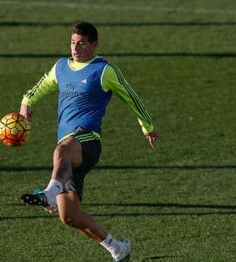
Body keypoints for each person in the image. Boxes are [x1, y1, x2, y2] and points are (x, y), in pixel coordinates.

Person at [19, 21, 159, 262]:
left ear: (94, 45)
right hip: (68, 155)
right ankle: (117, 248)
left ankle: (49, 193)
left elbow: (131, 96)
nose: (76, 48)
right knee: (70, 217)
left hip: (88, 140)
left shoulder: (104, 70)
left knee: (62, 150)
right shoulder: (61, 67)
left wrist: (148, 127)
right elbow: (38, 88)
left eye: (82, 43)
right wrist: (26, 103)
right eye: (73, 42)